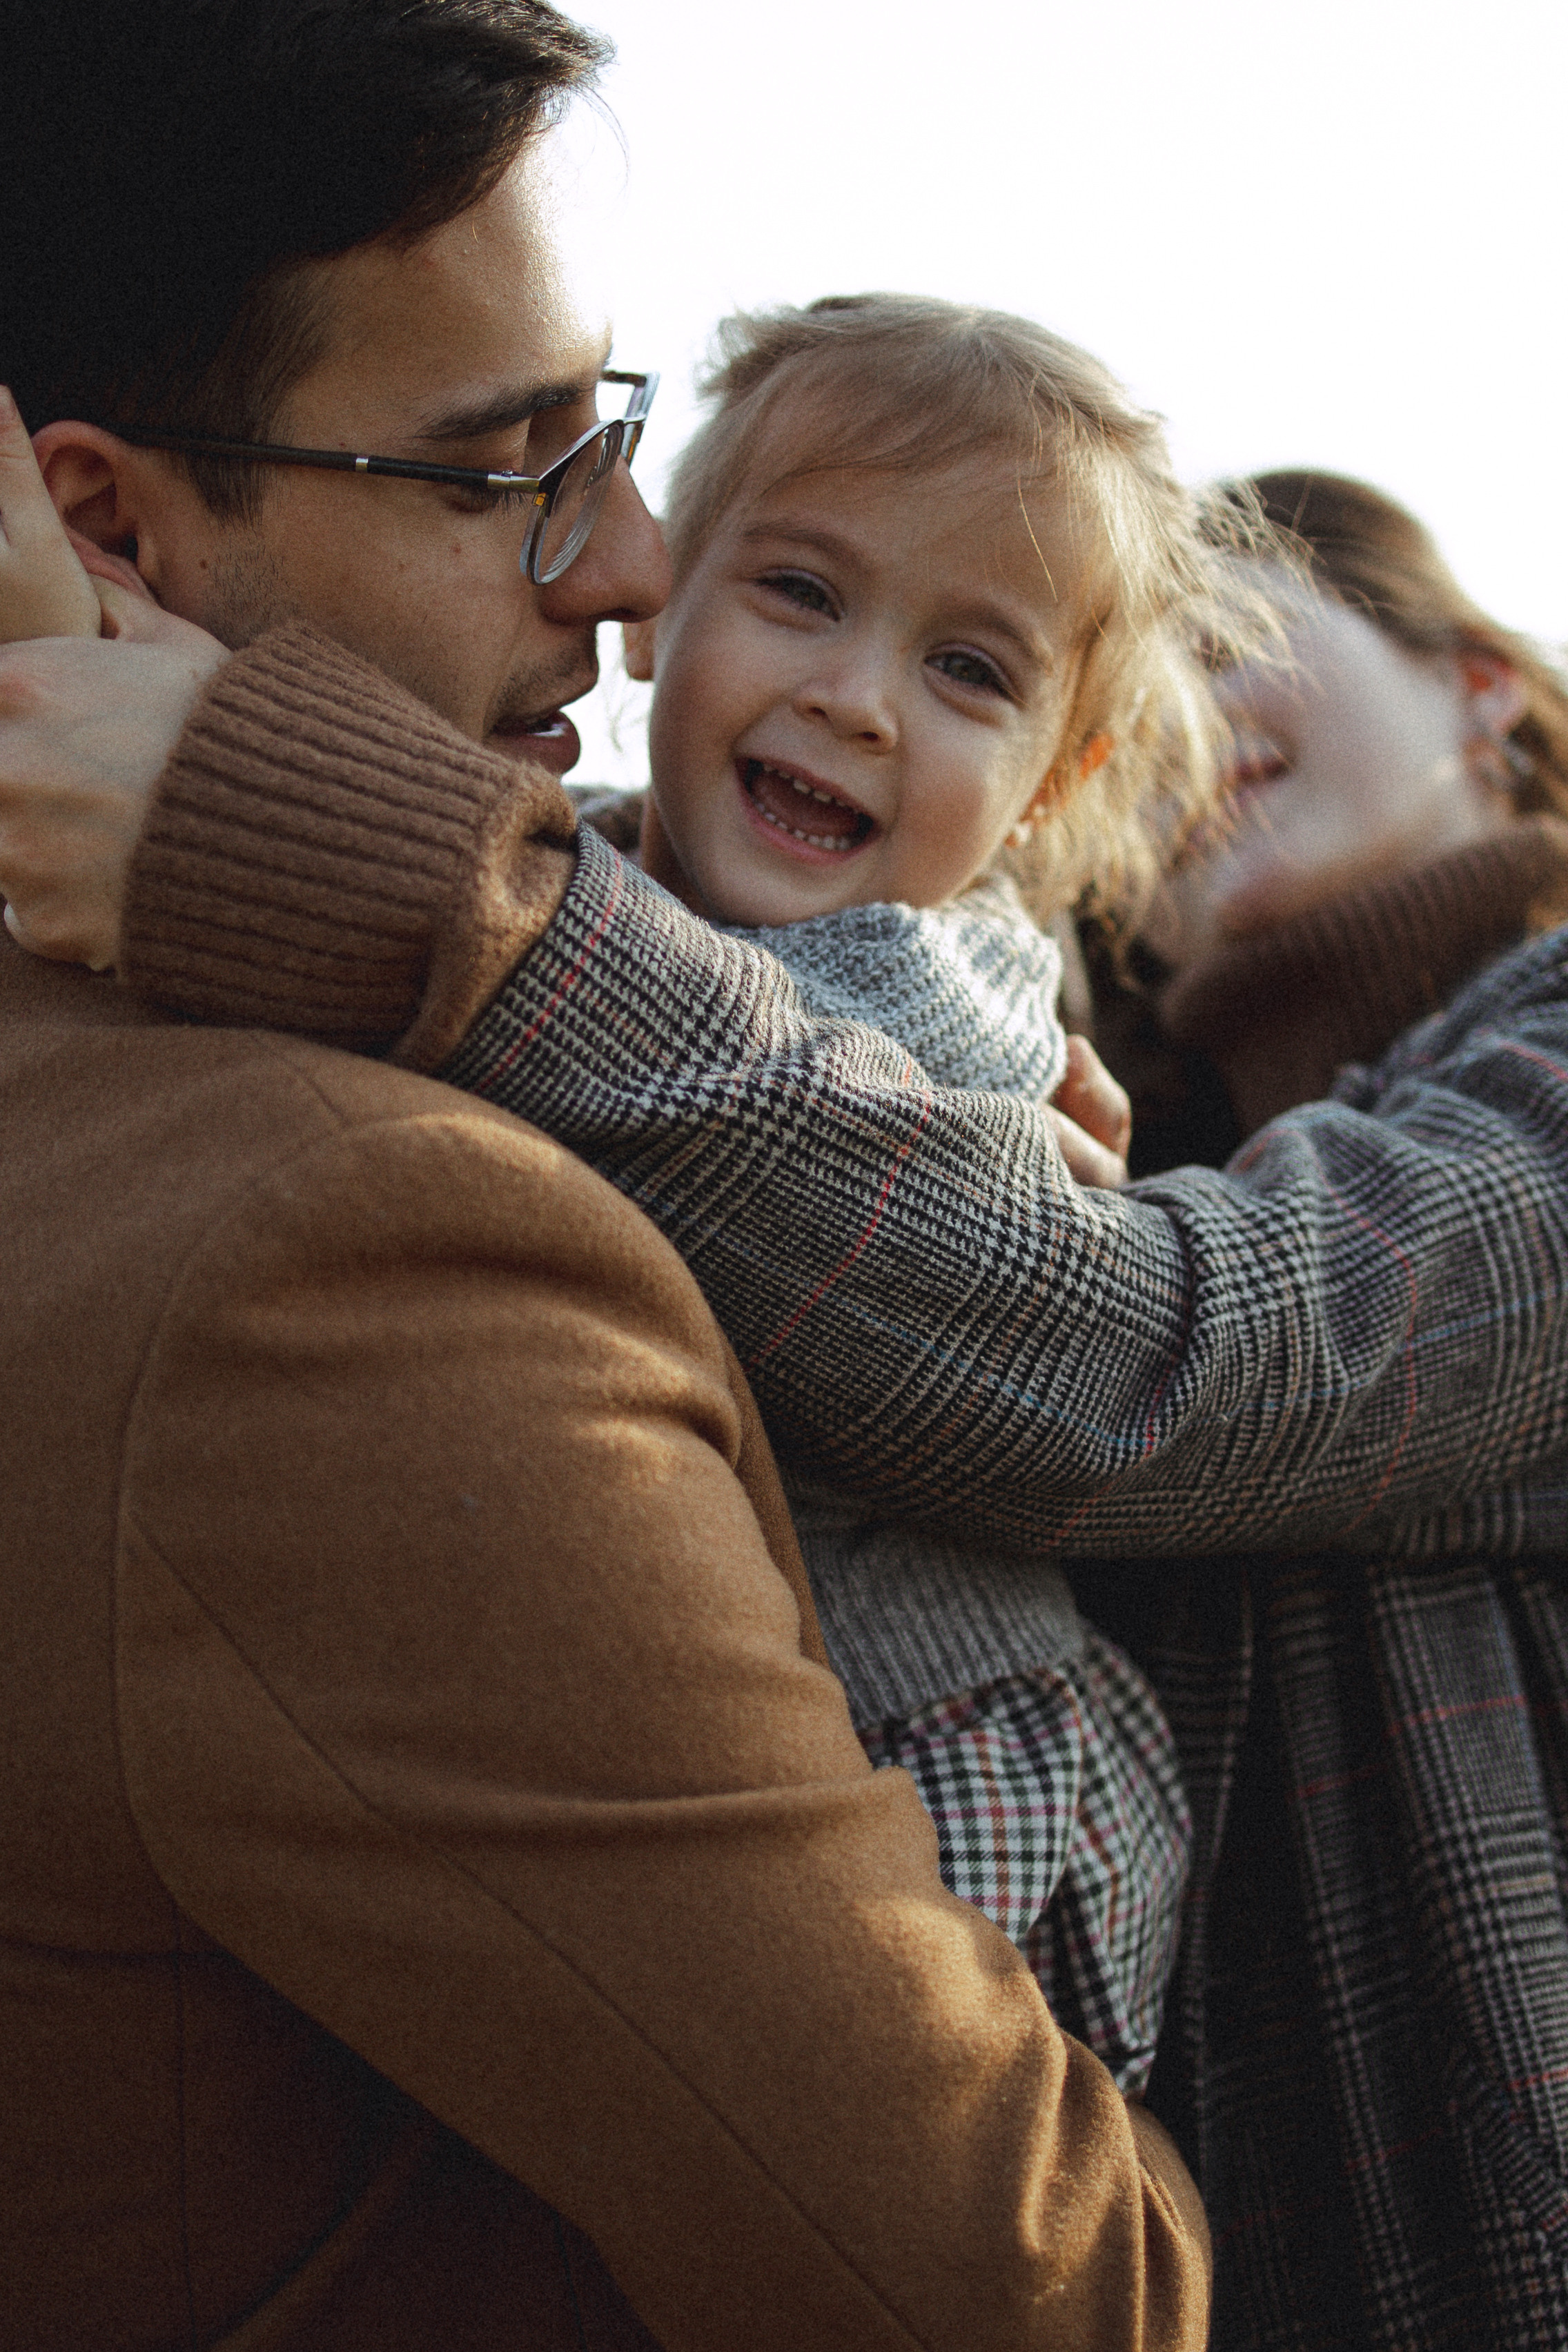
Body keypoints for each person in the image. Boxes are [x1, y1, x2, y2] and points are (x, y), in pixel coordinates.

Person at [0, 5, 1217, 2348]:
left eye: (620, 433)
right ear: (106, 524)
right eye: (509, 465)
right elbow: (1023, 2287)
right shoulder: (340, 1258)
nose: (641, 563)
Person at [1095, 469, 1568, 1173]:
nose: (1172, 734)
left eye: (1223, 647)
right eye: (1115, 731)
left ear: (1478, 686)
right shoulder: (1082, 1156)